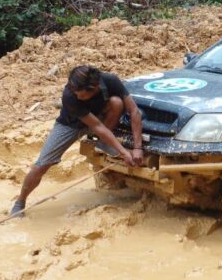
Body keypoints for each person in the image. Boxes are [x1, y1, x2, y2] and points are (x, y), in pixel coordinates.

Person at [11, 65, 144, 217]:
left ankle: (103, 143)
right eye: (75, 93)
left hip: (100, 119)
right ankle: (20, 202)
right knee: (42, 165)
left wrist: (138, 147)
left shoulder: (110, 80)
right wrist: (124, 152)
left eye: (80, 95)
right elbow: (97, 126)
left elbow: (134, 110)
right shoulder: (69, 95)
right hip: (70, 125)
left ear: (94, 88)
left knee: (117, 102)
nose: (77, 96)